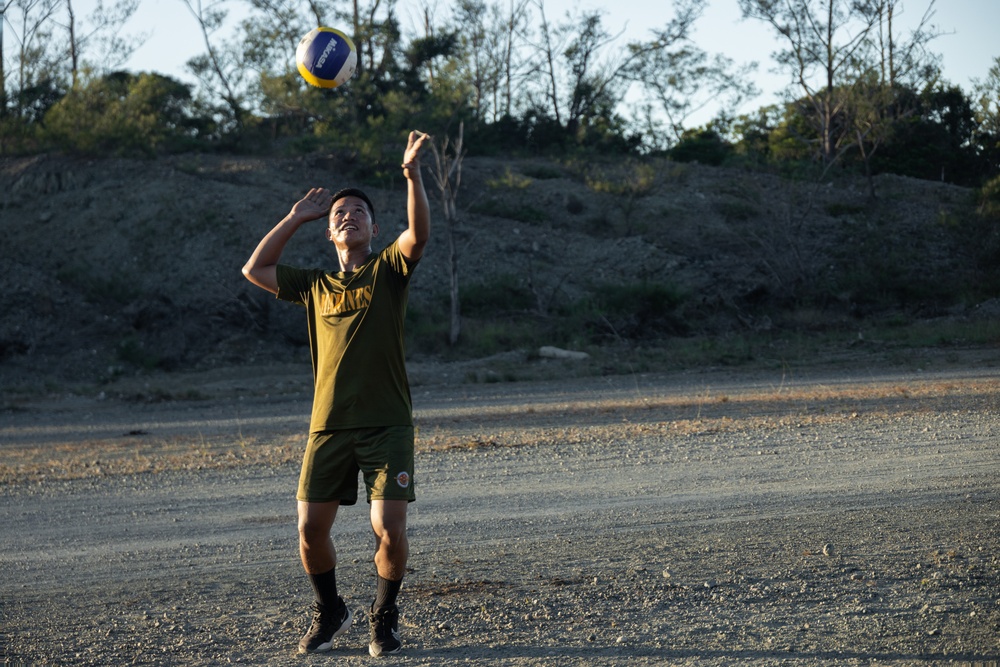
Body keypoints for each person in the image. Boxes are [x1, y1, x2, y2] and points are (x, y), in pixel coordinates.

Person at [241, 130, 431, 656]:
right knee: (309, 529)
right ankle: (330, 610)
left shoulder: (389, 269)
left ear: (373, 228)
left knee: (387, 526)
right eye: (338, 213)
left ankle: (383, 616)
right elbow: (254, 270)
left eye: (358, 212)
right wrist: (296, 216)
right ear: (329, 232)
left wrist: (412, 175)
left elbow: (419, 234)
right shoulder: (316, 285)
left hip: (386, 422)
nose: (347, 216)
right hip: (327, 425)